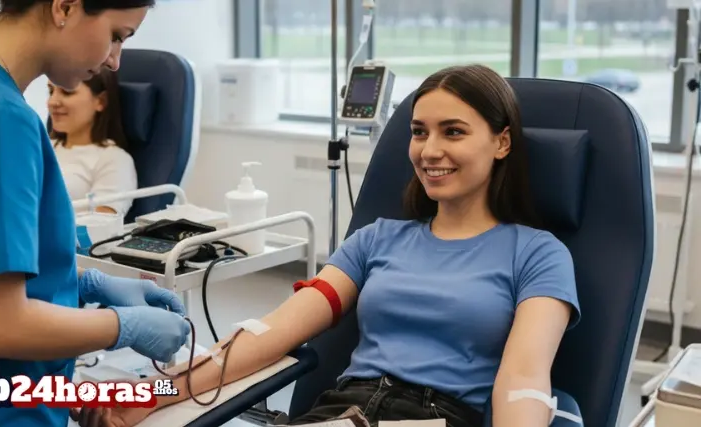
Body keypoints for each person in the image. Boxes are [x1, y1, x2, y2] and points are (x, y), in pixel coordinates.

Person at [74, 64, 582, 427]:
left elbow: (523, 381)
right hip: (341, 411)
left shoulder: (537, 254)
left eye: (454, 132)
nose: (430, 151)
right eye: (419, 132)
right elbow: (268, 334)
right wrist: (149, 394)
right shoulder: (377, 240)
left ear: (502, 142)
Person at [0, 1, 191, 426]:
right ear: (65, 7)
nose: (114, 59)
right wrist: (121, 326)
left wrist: (81, 282)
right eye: (116, 36)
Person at [48, 68, 138, 215]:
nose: (52, 102)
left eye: (67, 92)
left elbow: (102, 227)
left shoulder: (114, 159)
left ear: (101, 101)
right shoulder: (43, 146)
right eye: (51, 91)